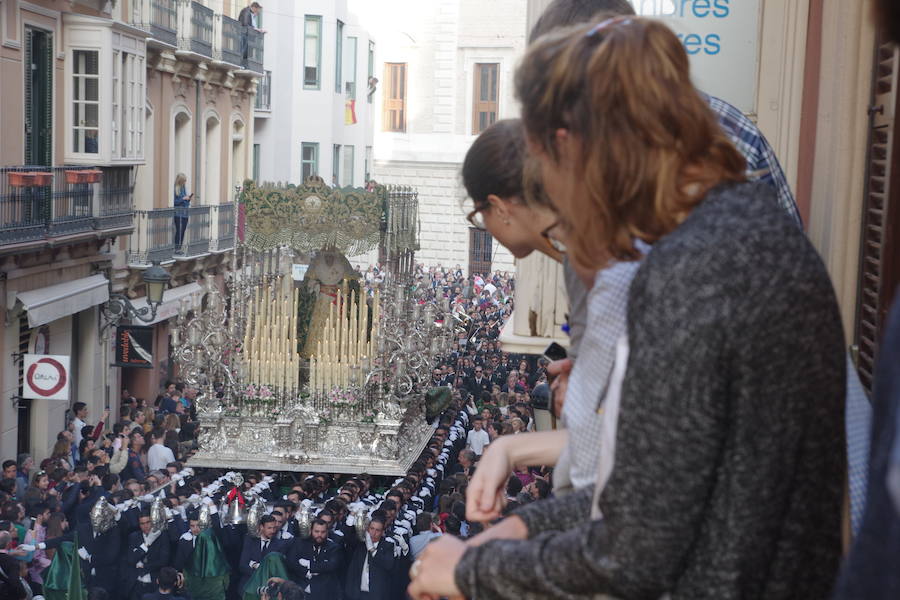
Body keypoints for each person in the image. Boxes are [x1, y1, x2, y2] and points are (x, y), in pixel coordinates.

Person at [409, 17, 845, 600]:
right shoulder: (733, 228)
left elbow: (636, 550)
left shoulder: (695, 270)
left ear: (571, 146)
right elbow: (659, 491)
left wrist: (469, 573)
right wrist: (520, 526)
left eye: (543, 162)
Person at [287, 518, 342, 599]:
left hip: (324, 592)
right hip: (300, 589)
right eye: (316, 531)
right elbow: (291, 563)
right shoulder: (300, 544)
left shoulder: (333, 547)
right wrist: (306, 572)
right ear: (311, 530)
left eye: (323, 532)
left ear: (327, 532)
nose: (319, 535)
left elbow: (331, 566)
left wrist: (310, 565)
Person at [344, 516, 395, 600]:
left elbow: (388, 565)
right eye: (371, 528)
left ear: (382, 532)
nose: (373, 533)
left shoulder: (387, 546)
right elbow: (347, 538)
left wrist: (372, 549)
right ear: (367, 529)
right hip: (356, 594)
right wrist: (351, 517)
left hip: (376, 595)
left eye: (377, 530)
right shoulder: (360, 544)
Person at [173, 174, 192, 252]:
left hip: (185, 213)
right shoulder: (175, 189)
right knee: (179, 231)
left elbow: (184, 200)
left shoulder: (183, 188)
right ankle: (177, 248)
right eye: (184, 181)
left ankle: (179, 248)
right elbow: (174, 202)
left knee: (183, 231)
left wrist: (188, 199)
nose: (185, 182)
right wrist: (183, 198)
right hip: (178, 214)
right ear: (180, 181)